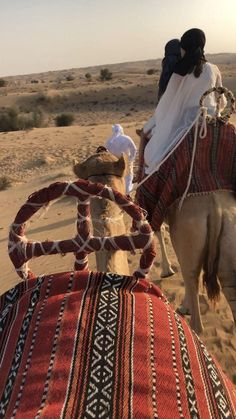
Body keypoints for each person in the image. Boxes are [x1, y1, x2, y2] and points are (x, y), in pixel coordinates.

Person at [143, 28, 226, 175]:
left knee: (152, 154)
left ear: (183, 48)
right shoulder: (214, 69)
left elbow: (166, 104)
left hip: (185, 125)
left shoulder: (179, 73)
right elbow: (222, 101)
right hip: (212, 120)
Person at [135, 38, 181, 182]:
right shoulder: (192, 67)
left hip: (169, 116)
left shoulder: (169, 73)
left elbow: (162, 103)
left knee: (144, 134)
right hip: (200, 114)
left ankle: (141, 174)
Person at [105, 124, 137, 194]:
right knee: (127, 180)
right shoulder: (127, 138)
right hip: (126, 163)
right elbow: (134, 150)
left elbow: (106, 153)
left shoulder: (109, 141)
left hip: (114, 165)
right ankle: (127, 196)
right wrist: (131, 160)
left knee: (116, 182)